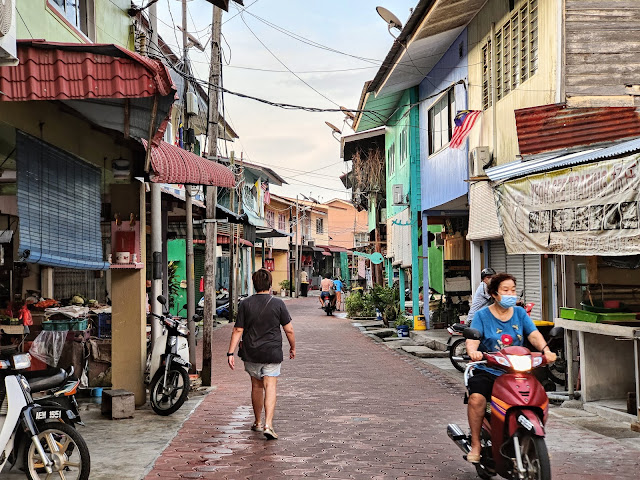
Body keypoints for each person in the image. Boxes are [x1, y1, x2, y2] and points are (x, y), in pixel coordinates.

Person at [465, 272, 556, 463]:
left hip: (519, 370)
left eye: (513, 290)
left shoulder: (520, 313)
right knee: (476, 399)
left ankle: (534, 441)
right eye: (505, 290)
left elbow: (533, 335)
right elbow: (473, 339)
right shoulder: (482, 315)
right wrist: (474, 351)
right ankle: (475, 444)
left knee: (539, 398)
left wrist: (546, 350)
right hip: (490, 370)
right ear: (494, 294)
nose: (510, 294)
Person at [227, 269, 296, 440]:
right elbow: (289, 330)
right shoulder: (278, 303)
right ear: (270, 284)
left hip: (251, 351)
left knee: (256, 386)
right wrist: (292, 347)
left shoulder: (245, 304)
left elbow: (238, 329)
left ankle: (257, 422)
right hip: (272, 352)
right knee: (270, 386)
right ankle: (268, 425)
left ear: (254, 284)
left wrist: (230, 352)